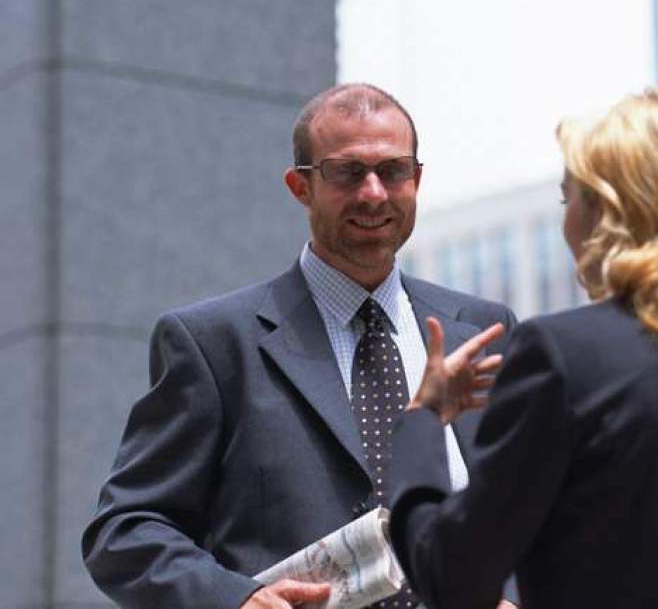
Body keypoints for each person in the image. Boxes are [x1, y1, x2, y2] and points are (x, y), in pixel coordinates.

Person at [82, 83, 518, 609]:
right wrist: (238, 600)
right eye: (347, 172)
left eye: (392, 170)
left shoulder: (483, 329)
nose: (374, 193)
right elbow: (125, 531)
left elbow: (529, 506)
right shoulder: (215, 345)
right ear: (299, 187)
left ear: (417, 179)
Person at [387, 86, 658, 608]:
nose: (566, 222)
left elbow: (454, 576)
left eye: (570, 199)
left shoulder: (562, 357)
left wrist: (423, 421)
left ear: (609, 212)